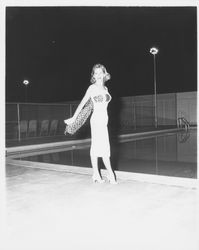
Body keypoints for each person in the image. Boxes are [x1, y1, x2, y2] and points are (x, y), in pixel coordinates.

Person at [64, 64, 117, 184]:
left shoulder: (106, 89)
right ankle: (108, 174)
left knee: (102, 146)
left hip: (104, 120)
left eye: (100, 73)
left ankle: (97, 174)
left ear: (104, 74)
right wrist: (74, 118)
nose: (98, 75)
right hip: (97, 119)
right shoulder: (92, 88)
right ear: (93, 75)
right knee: (101, 147)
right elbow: (82, 104)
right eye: (96, 73)